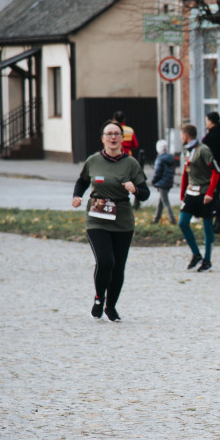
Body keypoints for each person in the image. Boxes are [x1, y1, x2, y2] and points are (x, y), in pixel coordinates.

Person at [71, 119, 150, 321]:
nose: (113, 137)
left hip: (122, 220)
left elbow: (145, 193)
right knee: (105, 261)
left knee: (118, 266)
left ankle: (111, 307)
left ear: (122, 139)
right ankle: (99, 298)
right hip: (96, 218)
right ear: (103, 138)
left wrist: (135, 189)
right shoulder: (93, 161)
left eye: (117, 134)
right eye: (109, 134)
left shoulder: (131, 164)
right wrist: (77, 196)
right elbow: (82, 181)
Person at [178, 124, 220, 272]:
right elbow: (186, 173)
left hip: (204, 192)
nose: (181, 138)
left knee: (207, 226)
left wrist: (210, 193)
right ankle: (196, 255)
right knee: (183, 222)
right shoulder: (187, 150)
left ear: (186, 135)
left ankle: (207, 260)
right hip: (191, 193)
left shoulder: (203, 150)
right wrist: (182, 194)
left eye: (181, 135)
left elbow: (216, 171)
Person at [202, 111, 220, 233]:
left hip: (215, 169)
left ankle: (219, 221)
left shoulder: (213, 135)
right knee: (216, 195)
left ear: (210, 121)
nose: (206, 123)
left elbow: (207, 150)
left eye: (206, 120)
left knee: (214, 195)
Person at [113, 110, 143, 208]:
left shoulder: (112, 130)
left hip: (115, 157)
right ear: (124, 119)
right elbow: (135, 144)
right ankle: (136, 202)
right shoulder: (130, 130)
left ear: (114, 119)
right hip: (128, 157)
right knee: (131, 180)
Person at [150, 138, 177, 224]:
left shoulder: (160, 159)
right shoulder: (171, 158)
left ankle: (173, 219)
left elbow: (157, 172)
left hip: (162, 183)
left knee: (165, 202)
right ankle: (156, 219)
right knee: (161, 202)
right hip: (168, 182)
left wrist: (153, 181)